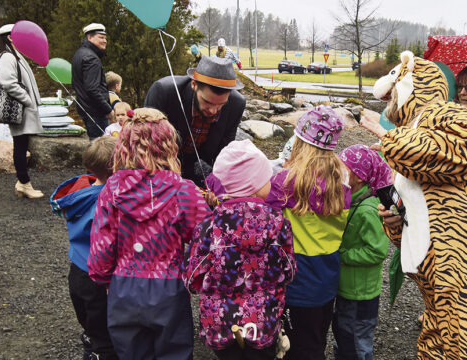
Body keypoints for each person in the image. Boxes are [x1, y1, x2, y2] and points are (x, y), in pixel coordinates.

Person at [361, 51, 467, 359]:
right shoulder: (417, 130)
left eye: (392, 93)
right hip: (447, 275)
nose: (386, 102)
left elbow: (466, 151)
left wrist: (390, 139)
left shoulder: (446, 115)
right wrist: (397, 224)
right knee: (440, 346)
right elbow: (428, 210)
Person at [87, 108, 211, 360]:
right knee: (174, 353)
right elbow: (206, 239)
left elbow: (101, 246)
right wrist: (193, 276)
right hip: (169, 288)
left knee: (131, 353)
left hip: (124, 287)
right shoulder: (183, 190)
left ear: (124, 146)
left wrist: (103, 277)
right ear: (168, 145)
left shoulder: (112, 188)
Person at [185, 139, 296, 360]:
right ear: (255, 183)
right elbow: (289, 271)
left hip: (219, 324)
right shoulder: (278, 223)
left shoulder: (208, 226)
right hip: (263, 321)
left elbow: (192, 279)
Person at [264, 105, 350, 360]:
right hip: (326, 280)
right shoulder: (341, 183)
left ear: (300, 141)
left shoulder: (285, 181)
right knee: (315, 339)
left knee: (296, 346)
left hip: (296, 282)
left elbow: (268, 219)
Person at [50, 136, 118, 360]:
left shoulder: (78, 191)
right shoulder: (109, 199)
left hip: (77, 267)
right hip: (100, 273)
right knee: (105, 328)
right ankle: (101, 352)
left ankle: (91, 342)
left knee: (88, 316)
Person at [144, 55, 246, 187]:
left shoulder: (236, 104)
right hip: (162, 168)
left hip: (202, 169)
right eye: (207, 102)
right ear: (194, 84)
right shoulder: (164, 93)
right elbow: (147, 145)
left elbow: (224, 150)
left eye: (220, 105)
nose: (213, 111)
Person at [332, 144, 392, 360]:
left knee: (356, 339)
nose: (336, 170)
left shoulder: (367, 210)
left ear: (358, 176)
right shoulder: (353, 199)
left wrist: (343, 255)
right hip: (349, 287)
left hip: (360, 292)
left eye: (341, 167)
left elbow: (377, 252)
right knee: (343, 333)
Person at [0, 24, 44, 198]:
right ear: (10, 37)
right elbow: (8, 82)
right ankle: (24, 183)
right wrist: (27, 100)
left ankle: (22, 182)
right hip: (19, 109)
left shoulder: (13, 55)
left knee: (22, 145)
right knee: (20, 146)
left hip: (22, 109)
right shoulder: (8, 57)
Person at [72, 23, 113, 140]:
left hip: (85, 107)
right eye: (101, 37)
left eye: (105, 38)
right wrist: (108, 109)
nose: (105, 41)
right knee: (100, 148)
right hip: (95, 111)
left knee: (94, 145)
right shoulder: (91, 58)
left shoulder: (79, 53)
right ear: (89, 37)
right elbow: (92, 89)